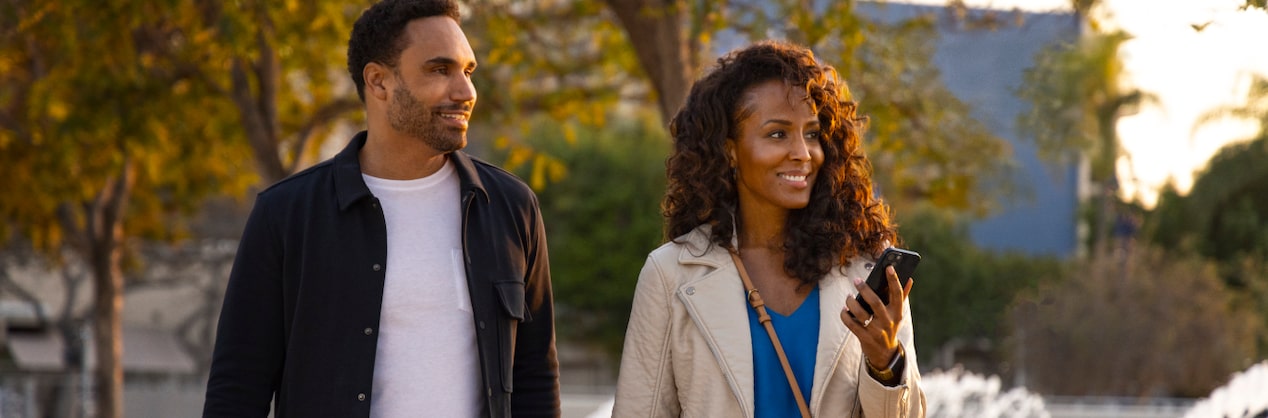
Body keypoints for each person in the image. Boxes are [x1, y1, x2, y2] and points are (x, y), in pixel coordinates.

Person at [201, 1, 559, 417]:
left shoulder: (510, 208)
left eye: (468, 71)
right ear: (378, 81)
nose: (465, 92)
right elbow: (238, 388)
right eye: (440, 70)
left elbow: (535, 378)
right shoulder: (287, 215)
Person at [612, 40, 926, 417]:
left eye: (811, 133)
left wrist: (886, 364)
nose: (803, 152)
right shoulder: (671, 274)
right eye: (778, 134)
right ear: (729, 150)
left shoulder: (865, 267)